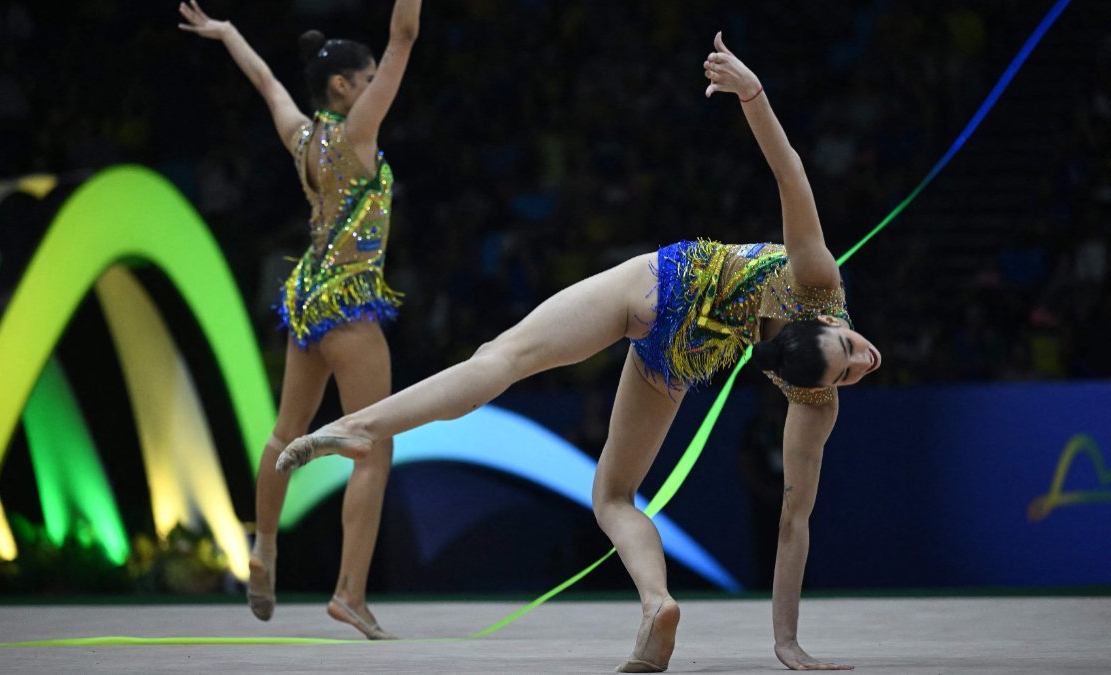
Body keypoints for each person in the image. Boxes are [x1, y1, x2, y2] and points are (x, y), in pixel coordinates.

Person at [280, 33, 871, 671]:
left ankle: (656, 605)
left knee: (585, 462)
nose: (863, 360)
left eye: (848, 373)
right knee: (554, 425)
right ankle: (359, 427)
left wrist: (787, 642)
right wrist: (750, 91)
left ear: (818, 383)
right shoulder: (818, 281)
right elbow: (788, 171)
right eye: (851, 349)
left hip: (662, 289)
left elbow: (792, 521)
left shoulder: (814, 392)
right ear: (822, 326)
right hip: (683, 332)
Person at [178, 0, 420, 639]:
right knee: (372, 447)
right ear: (344, 87)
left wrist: (229, 32)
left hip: (307, 299)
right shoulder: (355, 134)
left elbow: (265, 80)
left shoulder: (302, 136)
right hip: (351, 306)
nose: (375, 88)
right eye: (367, 80)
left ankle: (265, 554)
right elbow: (403, 33)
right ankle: (350, 594)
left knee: (286, 433)